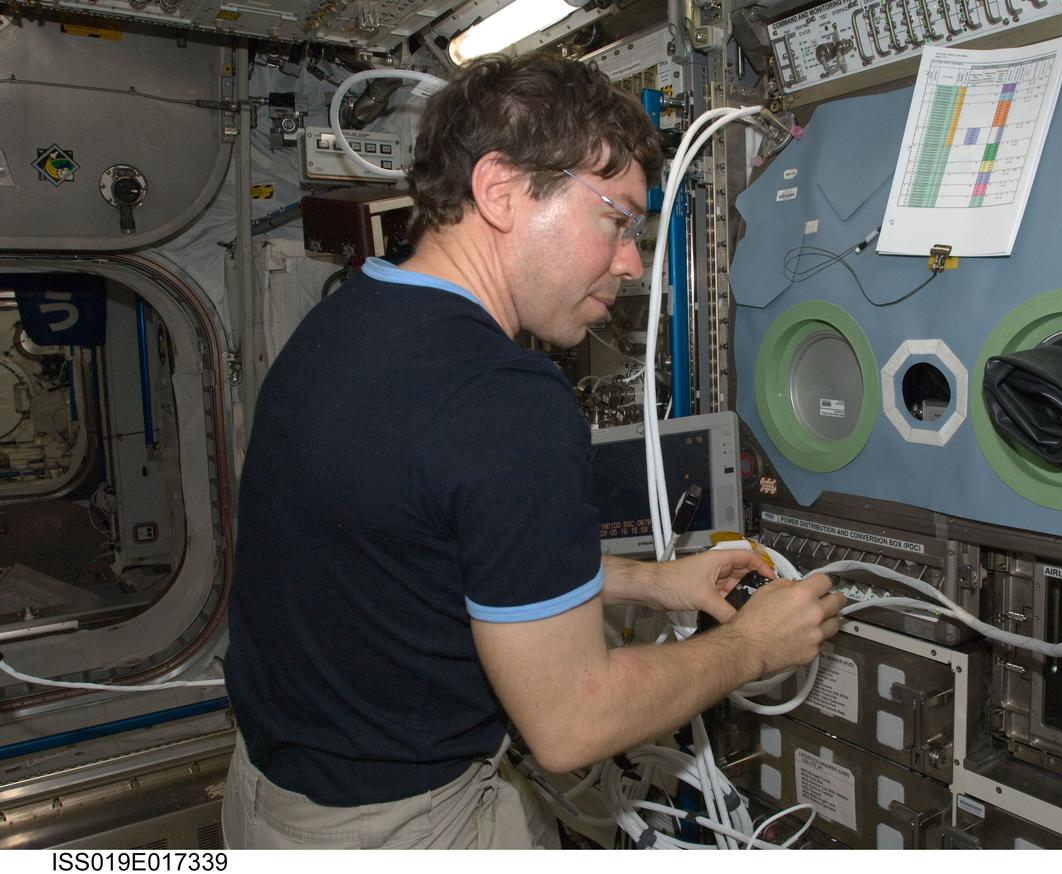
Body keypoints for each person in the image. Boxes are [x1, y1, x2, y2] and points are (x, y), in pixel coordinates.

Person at [221, 52, 845, 849]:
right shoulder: (503, 398)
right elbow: (574, 723)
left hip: (271, 798)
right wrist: (754, 647)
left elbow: (417, 563)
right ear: (501, 191)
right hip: (400, 832)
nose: (630, 262)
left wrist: (651, 584)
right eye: (617, 220)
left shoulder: (346, 322)